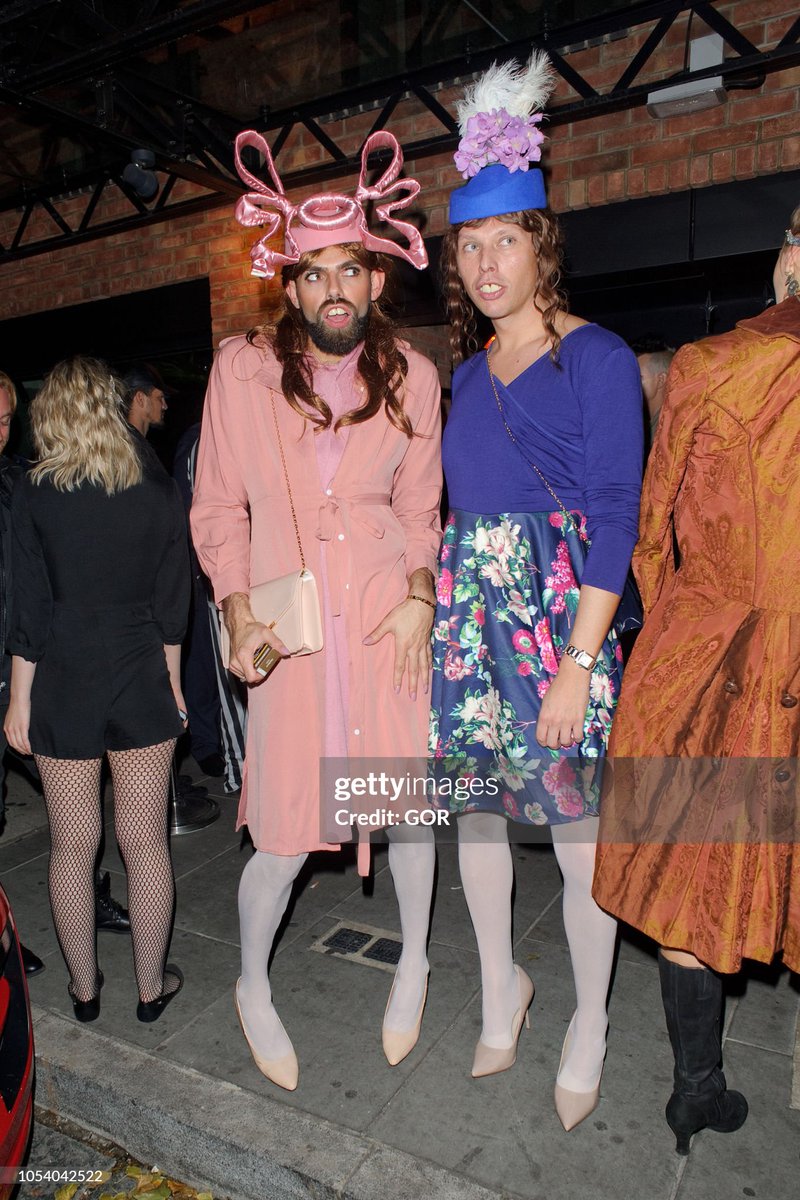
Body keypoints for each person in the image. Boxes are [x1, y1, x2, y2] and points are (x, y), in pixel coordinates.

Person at [191, 129, 442, 1090]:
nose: (335, 287)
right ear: (290, 286)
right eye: (315, 272)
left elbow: (423, 511)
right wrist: (235, 607)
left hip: (385, 626)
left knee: (407, 817)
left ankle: (415, 964)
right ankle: (252, 982)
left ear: (377, 279)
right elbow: (216, 505)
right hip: (291, 637)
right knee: (287, 833)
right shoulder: (241, 374)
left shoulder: (415, 380)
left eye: (351, 268)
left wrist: (422, 590)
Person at [429, 53, 643, 1130]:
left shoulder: (596, 357)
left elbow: (615, 520)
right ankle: (500, 991)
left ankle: (589, 1018)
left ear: (539, 245)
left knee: (571, 836)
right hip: (470, 622)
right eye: (467, 245)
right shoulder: (462, 376)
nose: (483, 263)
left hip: (560, 623)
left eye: (502, 240)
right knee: (476, 822)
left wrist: (576, 661)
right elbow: (454, 523)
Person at [592, 209, 800, 1154]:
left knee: (690, 878)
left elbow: (650, 528)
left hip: (710, 656)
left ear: (788, 257)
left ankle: (695, 1090)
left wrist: (687, 614)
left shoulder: (706, 367)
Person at [4, 357, 190, 1023]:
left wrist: (19, 700)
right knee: (144, 843)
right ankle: (149, 989)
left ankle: (84, 992)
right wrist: (171, 677)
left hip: (62, 680)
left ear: (49, 413)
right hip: (140, 673)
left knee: (71, 845)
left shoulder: (34, 491)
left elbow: (29, 609)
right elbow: (175, 597)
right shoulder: (155, 486)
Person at [631, 336, 676, 450]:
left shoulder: (671, 430)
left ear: (661, 380)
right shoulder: (639, 420)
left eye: (638, 377)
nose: (630, 383)